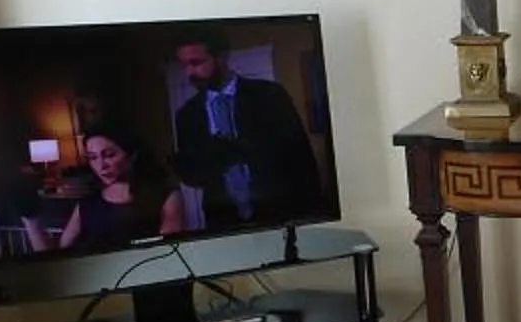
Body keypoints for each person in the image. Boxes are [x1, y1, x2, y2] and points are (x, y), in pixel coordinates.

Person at [171, 33, 323, 226]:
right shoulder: (187, 115)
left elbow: (301, 157)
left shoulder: (270, 95)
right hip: (222, 221)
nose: (189, 73)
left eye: (196, 62)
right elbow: (194, 176)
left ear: (222, 56)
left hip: (279, 214)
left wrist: (313, 215)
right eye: (184, 65)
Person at [23, 131, 186, 253]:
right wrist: (31, 221)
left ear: (132, 155)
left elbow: (169, 249)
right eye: (93, 158)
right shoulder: (88, 203)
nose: (101, 166)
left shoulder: (165, 195)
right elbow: (59, 254)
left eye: (109, 155)